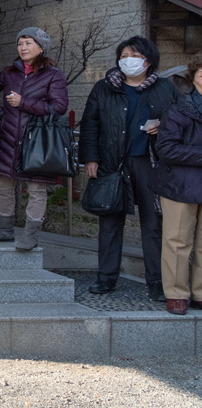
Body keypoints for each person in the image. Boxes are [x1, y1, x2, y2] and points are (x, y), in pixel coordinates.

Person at [80, 36, 179, 300]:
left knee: (153, 223)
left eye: (133, 56)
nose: (127, 61)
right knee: (110, 221)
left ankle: (157, 282)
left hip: (150, 162)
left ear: (148, 60)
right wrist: (90, 158)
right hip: (112, 162)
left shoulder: (165, 88)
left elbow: (181, 121)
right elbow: (90, 124)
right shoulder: (104, 88)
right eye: (123, 56)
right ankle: (106, 278)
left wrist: (164, 127)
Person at [0, 27, 69, 251]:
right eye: (20, 43)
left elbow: (59, 108)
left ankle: (30, 235)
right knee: (3, 184)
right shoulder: (9, 72)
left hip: (37, 140)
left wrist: (24, 103)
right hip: (9, 137)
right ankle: (4, 230)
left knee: (36, 190)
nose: (23, 47)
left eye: (28, 43)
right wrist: (3, 114)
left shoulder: (53, 75)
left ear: (41, 48)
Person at [152, 57, 202, 315]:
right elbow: (166, 149)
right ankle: (176, 293)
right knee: (177, 240)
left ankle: (201, 293)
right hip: (179, 184)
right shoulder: (178, 108)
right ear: (193, 78)